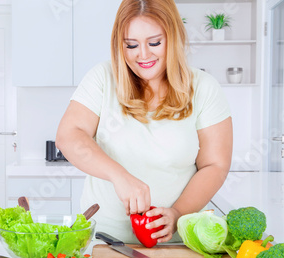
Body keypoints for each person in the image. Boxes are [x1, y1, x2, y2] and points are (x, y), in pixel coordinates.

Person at [56, 0, 232, 244]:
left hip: (175, 242)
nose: (143, 55)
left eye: (155, 42)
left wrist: (178, 213)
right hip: (105, 241)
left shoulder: (204, 88)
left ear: (174, 37)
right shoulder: (102, 78)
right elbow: (69, 135)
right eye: (131, 45)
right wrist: (119, 176)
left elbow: (215, 165)